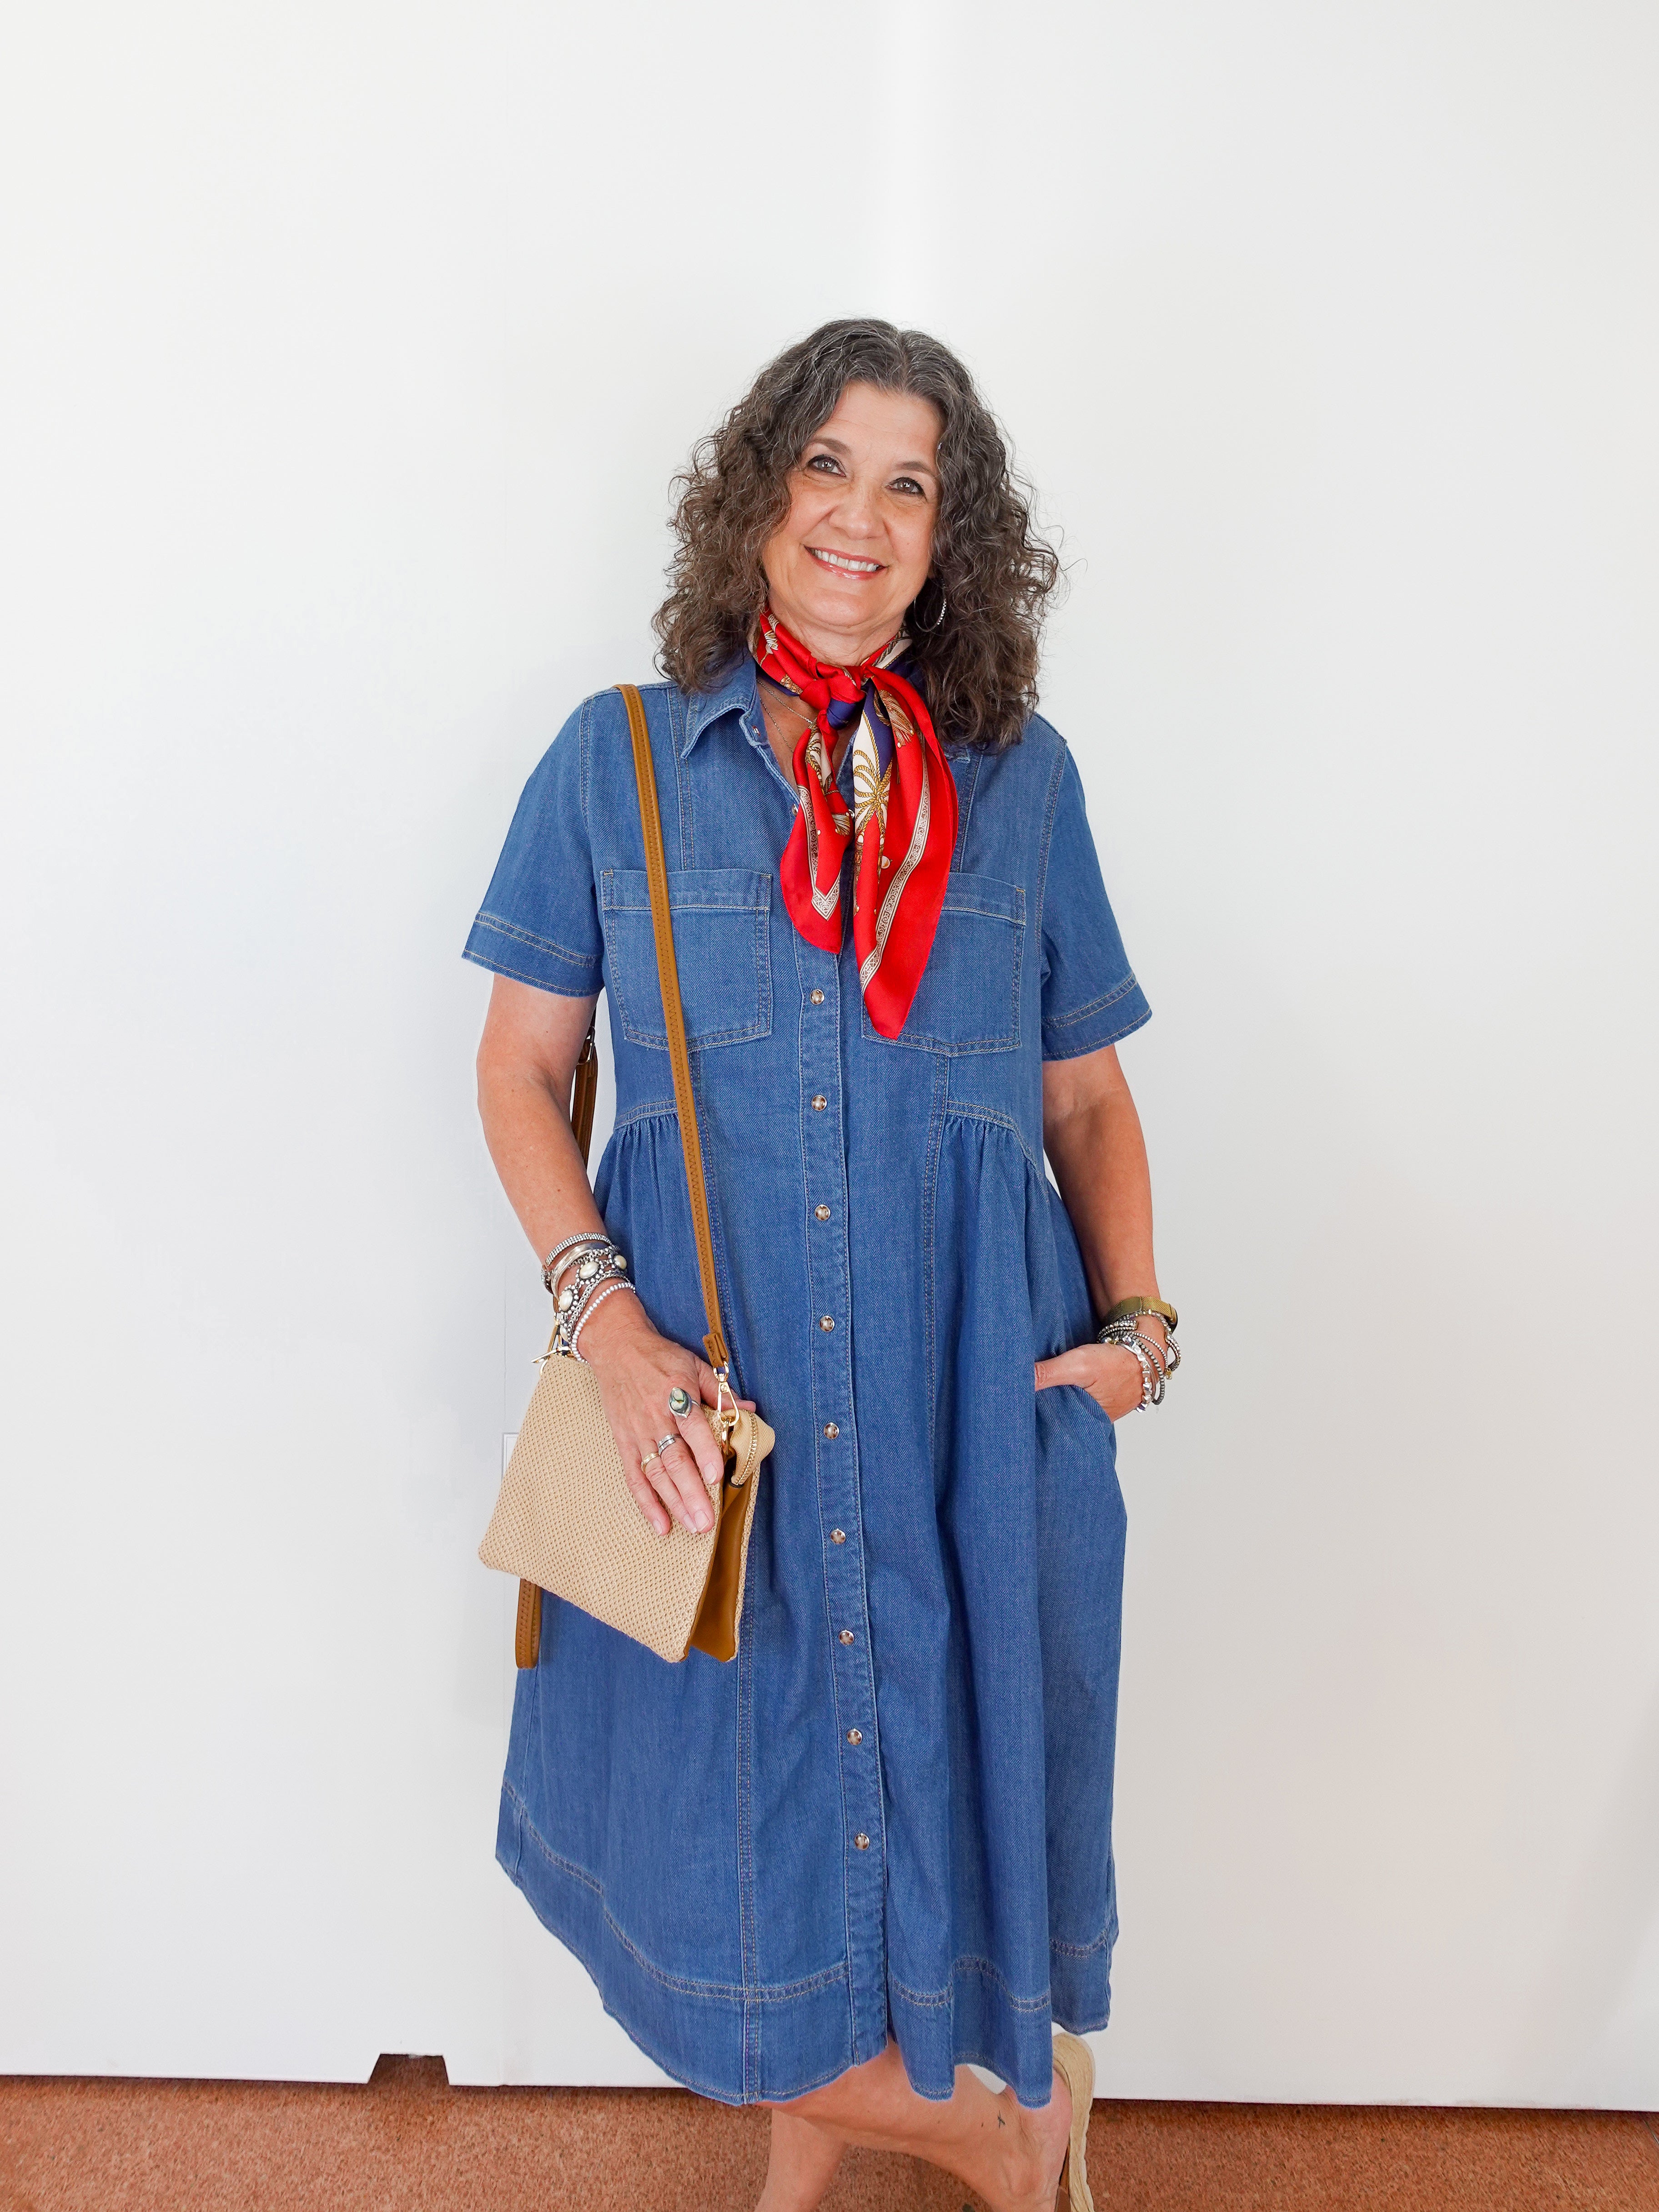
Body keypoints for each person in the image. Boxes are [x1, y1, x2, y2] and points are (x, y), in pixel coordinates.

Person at [465, 318, 1176, 2212]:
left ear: (953, 537)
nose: (861, 516)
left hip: (969, 1422)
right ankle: (1016, 2132)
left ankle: (863, 2161)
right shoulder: (618, 763)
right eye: (826, 466)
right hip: (718, 1409)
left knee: (904, 1813)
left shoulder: (1022, 783)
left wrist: (1134, 1334)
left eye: (911, 482)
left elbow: (1088, 1103)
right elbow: (523, 1072)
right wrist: (602, 1327)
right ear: (761, 493)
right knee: (760, 1844)